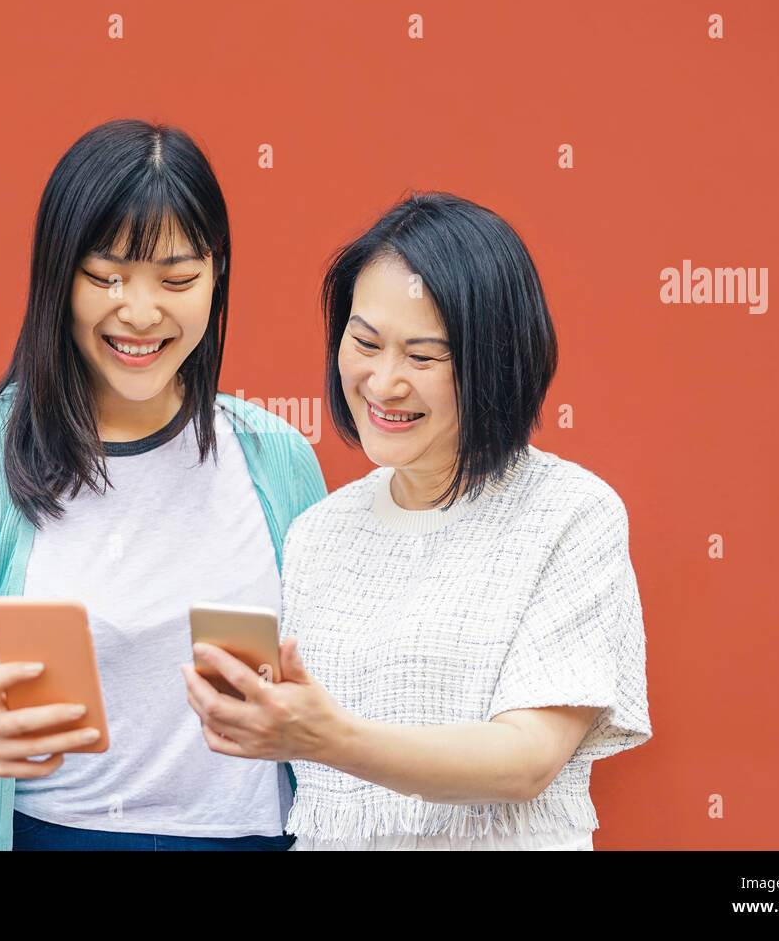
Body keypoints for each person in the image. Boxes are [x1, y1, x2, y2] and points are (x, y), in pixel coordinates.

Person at [0, 118, 326, 850]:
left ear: (217, 275)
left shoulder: (274, 452)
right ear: (58, 276)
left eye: (178, 278)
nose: (142, 312)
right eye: (107, 276)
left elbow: (328, 690)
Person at [182, 191, 652, 850]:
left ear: (496, 362)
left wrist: (329, 737)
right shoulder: (319, 533)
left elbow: (525, 761)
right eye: (365, 342)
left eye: (423, 357)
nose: (383, 381)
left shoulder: (571, 514)